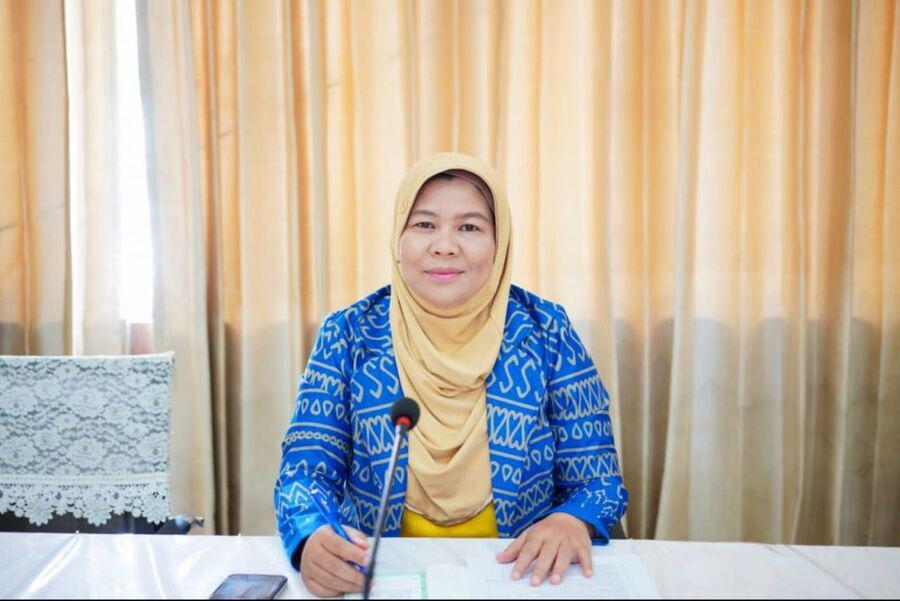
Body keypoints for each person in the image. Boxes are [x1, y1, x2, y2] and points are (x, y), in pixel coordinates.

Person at [274, 153, 628, 597]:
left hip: (520, 579)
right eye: (424, 224)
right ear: (398, 238)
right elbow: (304, 472)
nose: (445, 245)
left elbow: (598, 481)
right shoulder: (348, 334)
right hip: (383, 580)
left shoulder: (547, 331)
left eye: (470, 227)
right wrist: (311, 534)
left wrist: (571, 519)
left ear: (500, 243)